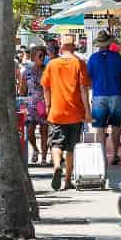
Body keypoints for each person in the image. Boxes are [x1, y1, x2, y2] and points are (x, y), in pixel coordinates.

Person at [40, 33, 92, 190]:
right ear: (74, 46)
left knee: (56, 143)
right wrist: (88, 112)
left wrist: (48, 106)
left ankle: (57, 166)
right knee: (71, 147)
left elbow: (45, 87)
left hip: (56, 111)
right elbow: (84, 89)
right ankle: (68, 180)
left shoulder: (52, 64)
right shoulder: (79, 63)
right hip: (75, 112)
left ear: (61, 47)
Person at [85, 30, 121, 164]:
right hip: (116, 94)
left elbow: (89, 78)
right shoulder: (117, 57)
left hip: (99, 95)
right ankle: (115, 154)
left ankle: (102, 156)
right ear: (109, 43)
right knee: (116, 126)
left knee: (100, 127)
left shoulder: (93, 58)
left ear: (99, 45)